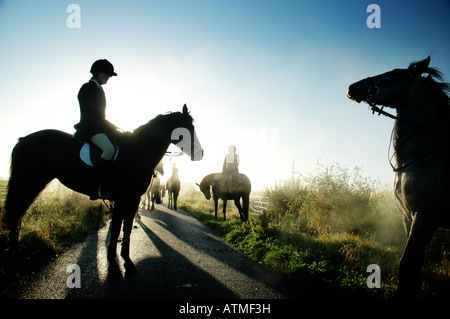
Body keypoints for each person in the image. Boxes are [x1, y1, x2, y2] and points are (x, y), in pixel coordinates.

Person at [74, 59, 118, 199]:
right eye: (106, 74)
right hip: (90, 128)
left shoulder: (99, 89)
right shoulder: (88, 87)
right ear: (97, 72)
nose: (108, 77)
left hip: (97, 126)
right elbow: (91, 112)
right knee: (109, 149)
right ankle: (95, 186)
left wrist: (109, 125)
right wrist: (105, 124)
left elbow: (100, 114)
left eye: (109, 75)